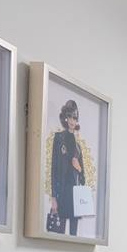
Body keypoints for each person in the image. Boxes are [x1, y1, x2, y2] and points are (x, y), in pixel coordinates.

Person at [50, 99, 85, 235]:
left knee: (74, 235)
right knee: (60, 232)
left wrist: (79, 168)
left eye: (75, 118)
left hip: (75, 194)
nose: (72, 121)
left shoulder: (78, 147)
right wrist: (53, 198)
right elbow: (54, 169)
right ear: (66, 117)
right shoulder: (59, 138)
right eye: (70, 117)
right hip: (62, 192)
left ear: (77, 121)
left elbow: (83, 179)